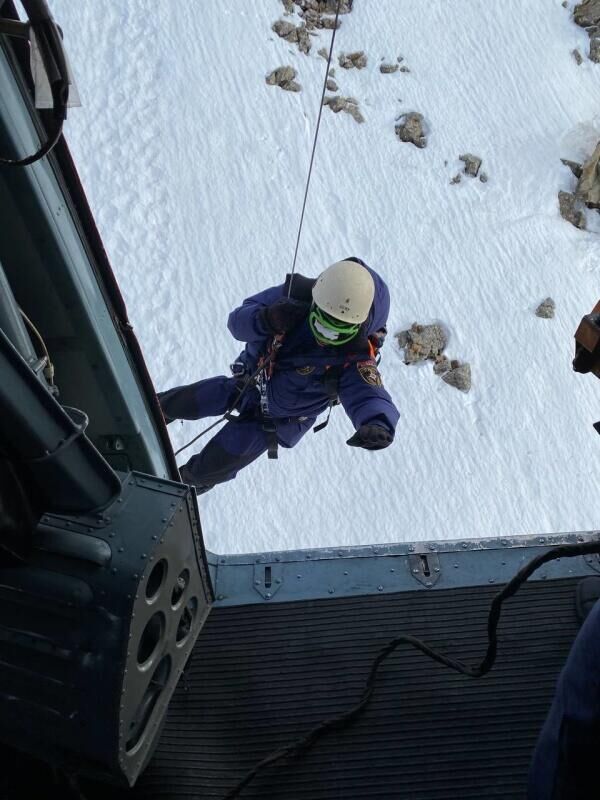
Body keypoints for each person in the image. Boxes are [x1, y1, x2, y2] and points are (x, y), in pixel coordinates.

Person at [158, 258, 399, 493]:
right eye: (322, 322)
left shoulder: (355, 355)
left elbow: (368, 394)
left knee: (211, 466)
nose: (325, 335)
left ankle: (175, 488)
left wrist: (377, 422)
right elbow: (236, 322)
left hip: (275, 421)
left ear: (356, 325)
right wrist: (265, 319)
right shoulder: (295, 297)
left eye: (337, 330)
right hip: (248, 383)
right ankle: (144, 412)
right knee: (180, 402)